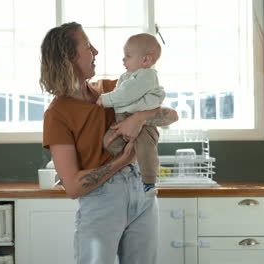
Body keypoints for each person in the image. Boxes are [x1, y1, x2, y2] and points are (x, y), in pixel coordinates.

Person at [40, 22, 178, 264]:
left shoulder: (110, 90)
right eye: (87, 46)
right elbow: (72, 187)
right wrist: (122, 161)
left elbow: (171, 116)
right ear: (69, 57)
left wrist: (139, 118)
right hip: (101, 199)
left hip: (140, 191)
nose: (95, 51)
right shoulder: (57, 114)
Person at [96, 33, 166, 197]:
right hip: (124, 119)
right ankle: (129, 163)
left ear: (145, 61)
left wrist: (105, 99)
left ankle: (149, 182)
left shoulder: (146, 75)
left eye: (128, 56)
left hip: (143, 124)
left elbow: (127, 93)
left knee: (146, 149)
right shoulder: (128, 76)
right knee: (109, 142)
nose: (123, 60)